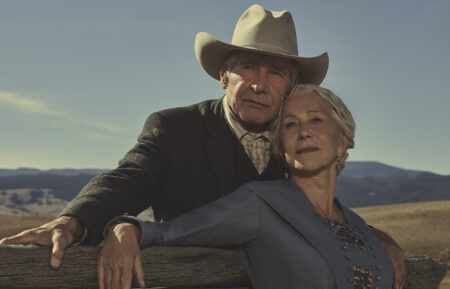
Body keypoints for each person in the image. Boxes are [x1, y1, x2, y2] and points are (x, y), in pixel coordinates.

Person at [0, 4, 404, 288]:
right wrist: (72, 222)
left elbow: (316, 211)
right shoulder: (176, 128)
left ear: (291, 86)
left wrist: (370, 237)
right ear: (223, 75)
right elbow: (128, 179)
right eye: (248, 67)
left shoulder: (298, 143)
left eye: (276, 72)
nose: (260, 84)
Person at [99, 84, 394, 289]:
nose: (303, 132)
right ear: (281, 146)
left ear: (342, 142)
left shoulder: (358, 226)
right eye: (290, 124)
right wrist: (126, 228)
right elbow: (169, 232)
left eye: (315, 120)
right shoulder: (259, 204)